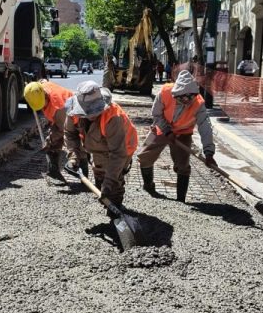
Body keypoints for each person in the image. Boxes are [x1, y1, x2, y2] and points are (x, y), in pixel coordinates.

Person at [138, 70, 216, 202]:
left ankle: (181, 200)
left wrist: (209, 153)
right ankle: (148, 187)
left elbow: (205, 127)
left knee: (183, 166)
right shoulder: (164, 92)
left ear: (193, 94)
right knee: (144, 156)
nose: (185, 101)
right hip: (160, 128)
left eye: (188, 98)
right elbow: (156, 114)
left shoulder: (199, 103)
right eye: (181, 98)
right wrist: (167, 131)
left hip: (183, 132)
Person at [65, 81, 138, 215]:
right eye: (87, 113)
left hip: (123, 146)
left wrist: (109, 182)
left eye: (94, 112)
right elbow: (70, 134)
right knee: (100, 174)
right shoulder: (73, 111)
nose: (91, 115)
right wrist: (73, 155)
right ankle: (107, 202)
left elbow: (118, 154)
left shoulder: (113, 117)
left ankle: (115, 211)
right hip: (98, 145)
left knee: (113, 180)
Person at [23, 80, 74, 175]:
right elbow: (41, 82)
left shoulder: (59, 106)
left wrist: (49, 140)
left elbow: (61, 129)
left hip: (73, 119)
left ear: (46, 96)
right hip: (60, 116)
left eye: (44, 104)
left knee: (74, 146)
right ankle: (54, 171)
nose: (43, 108)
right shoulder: (40, 88)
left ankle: (83, 173)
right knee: (53, 142)